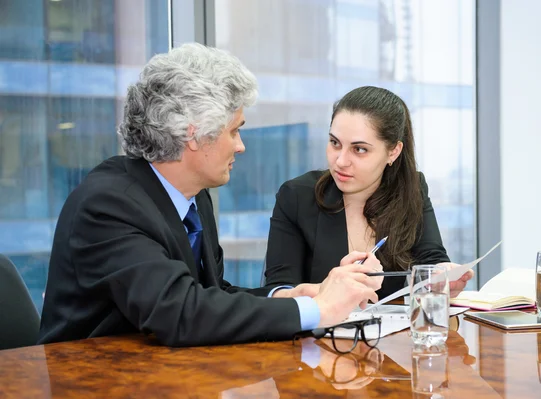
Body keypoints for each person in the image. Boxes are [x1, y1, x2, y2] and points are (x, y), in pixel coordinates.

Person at [38, 44, 384, 347]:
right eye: (234, 131)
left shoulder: (193, 196)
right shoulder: (109, 204)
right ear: (195, 135)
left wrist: (288, 296)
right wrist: (317, 311)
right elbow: (179, 312)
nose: (241, 145)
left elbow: (210, 295)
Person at [264, 86, 473, 300]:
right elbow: (277, 290)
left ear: (393, 151)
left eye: (359, 149)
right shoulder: (296, 195)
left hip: (395, 332)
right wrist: (327, 289)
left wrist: (442, 274)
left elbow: (431, 259)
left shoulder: (412, 189)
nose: (341, 161)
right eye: (335, 143)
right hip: (318, 333)